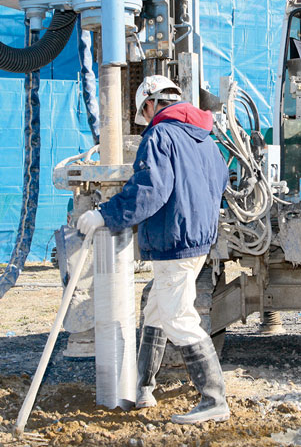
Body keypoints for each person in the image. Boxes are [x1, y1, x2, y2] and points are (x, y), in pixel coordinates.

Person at [76, 75, 230, 424]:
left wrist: (104, 215)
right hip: (198, 237)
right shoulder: (205, 137)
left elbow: (150, 191)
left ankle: (213, 398)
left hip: (174, 239)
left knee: (178, 317)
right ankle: (142, 387)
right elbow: (221, 180)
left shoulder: (160, 135)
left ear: (150, 104)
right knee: (157, 309)